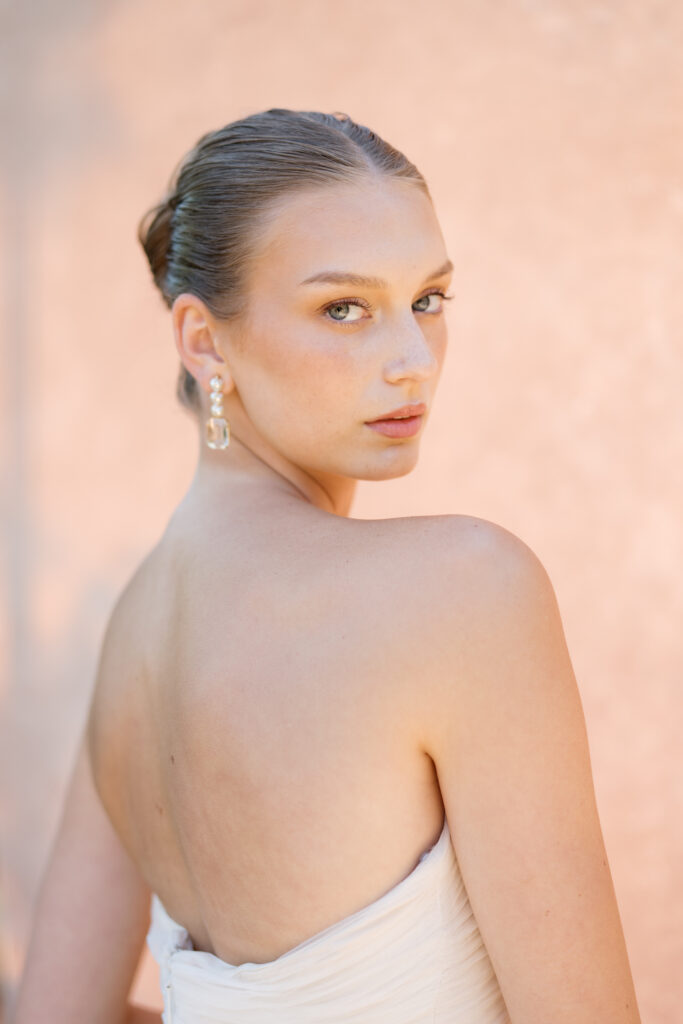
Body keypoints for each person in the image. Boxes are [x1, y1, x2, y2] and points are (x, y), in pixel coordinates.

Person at [10, 108, 642, 1024]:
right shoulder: (464, 589)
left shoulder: (130, 634)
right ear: (202, 340)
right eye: (342, 308)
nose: (410, 361)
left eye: (427, 299)